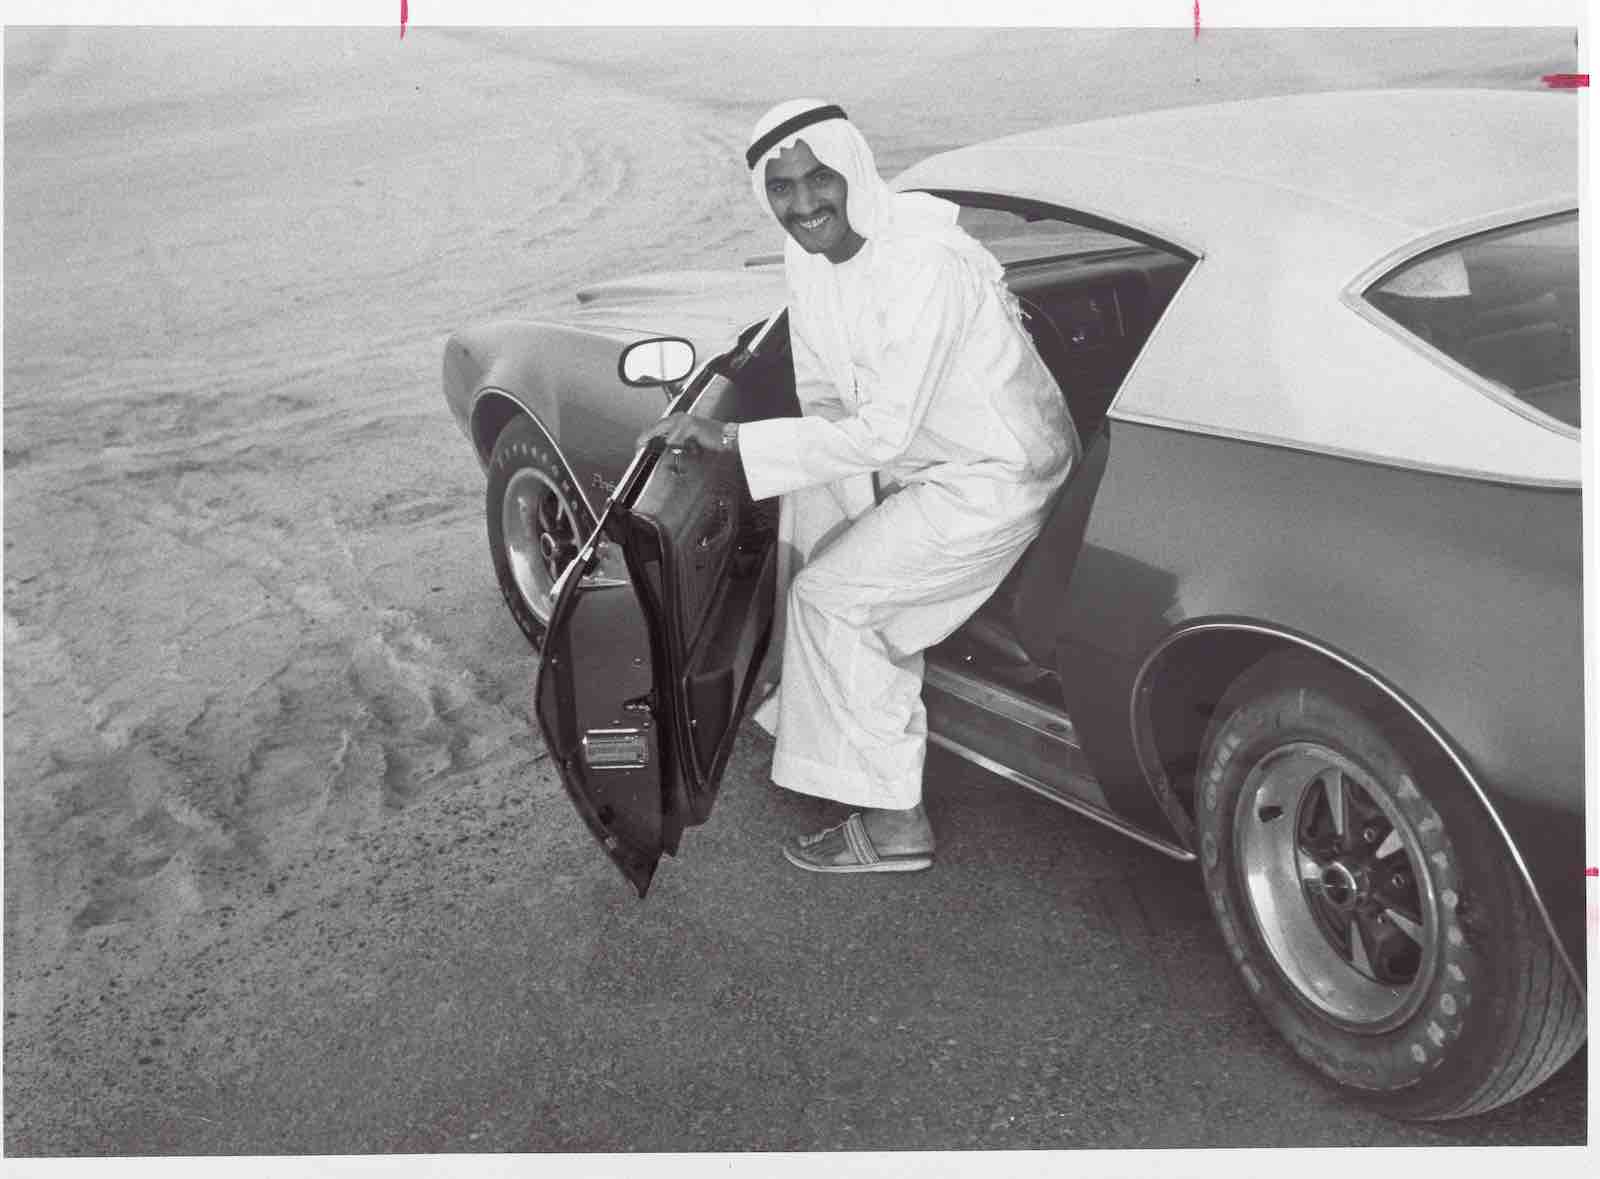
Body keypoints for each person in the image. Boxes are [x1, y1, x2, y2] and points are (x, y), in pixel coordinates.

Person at [639, 99, 1078, 874]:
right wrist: (826, 502)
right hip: (923, 456)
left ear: (853, 170)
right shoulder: (808, 258)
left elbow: (881, 433)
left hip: (995, 472)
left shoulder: (922, 262)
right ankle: (820, 716)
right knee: (816, 537)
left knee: (828, 597)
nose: (805, 203)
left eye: (820, 178)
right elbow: (825, 398)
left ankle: (897, 819)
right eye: (782, 188)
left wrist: (732, 440)